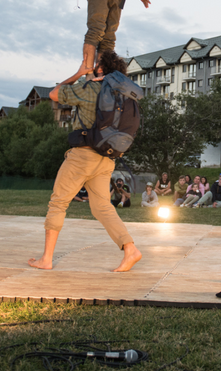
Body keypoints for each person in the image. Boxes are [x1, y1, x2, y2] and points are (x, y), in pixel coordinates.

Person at [29, 50, 141, 273]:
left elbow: (54, 94)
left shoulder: (90, 88)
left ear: (100, 69)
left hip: (82, 156)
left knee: (58, 202)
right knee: (102, 207)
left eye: (96, 61)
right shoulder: (123, 94)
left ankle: (46, 259)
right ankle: (130, 249)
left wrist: (79, 73)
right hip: (106, 158)